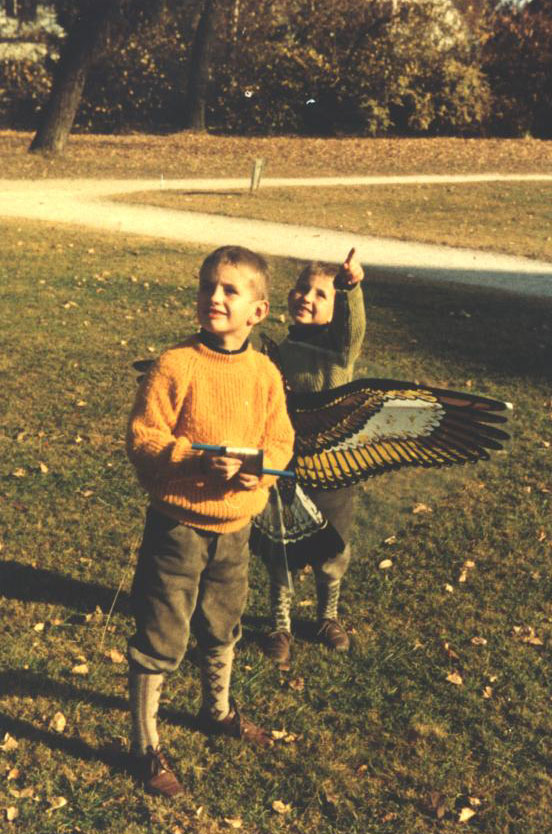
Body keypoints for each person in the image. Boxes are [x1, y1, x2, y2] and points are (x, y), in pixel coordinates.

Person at [126, 245, 295, 798]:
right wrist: (194, 460)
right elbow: (143, 439)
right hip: (177, 527)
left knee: (223, 622)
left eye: (229, 290)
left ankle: (216, 710)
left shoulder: (264, 373)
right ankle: (144, 745)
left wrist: (258, 473)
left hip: (236, 528)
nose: (214, 297)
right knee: (162, 631)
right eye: (206, 286)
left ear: (258, 311)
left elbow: (281, 442)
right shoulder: (176, 364)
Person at [262, 248, 366, 665]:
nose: (306, 297)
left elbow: (353, 327)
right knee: (281, 547)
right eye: (302, 289)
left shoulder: (339, 350)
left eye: (321, 294)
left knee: (332, 548)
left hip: (335, 470)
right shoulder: (279, 351)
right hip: (289, 466)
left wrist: (351, 289)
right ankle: (280, 624)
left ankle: (327, 617)